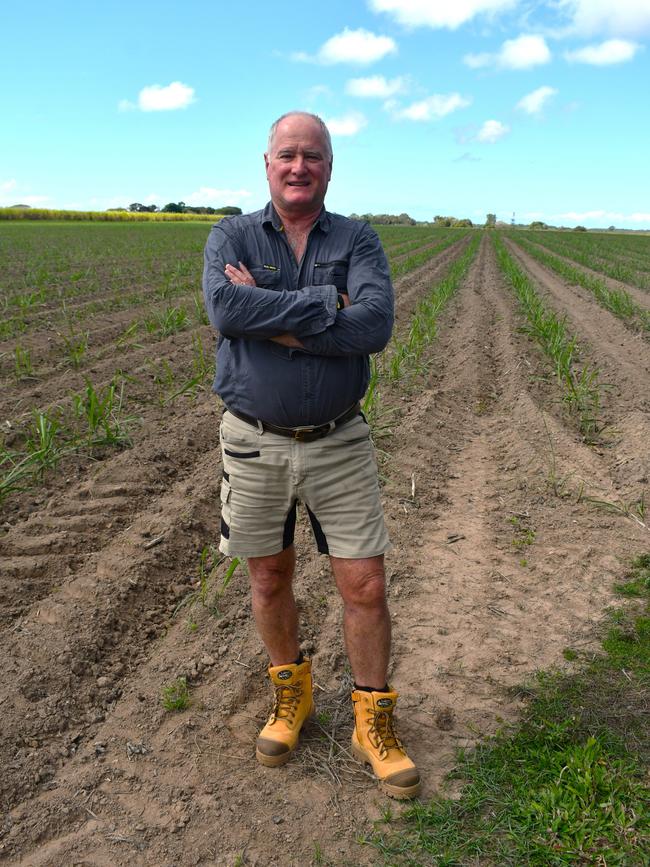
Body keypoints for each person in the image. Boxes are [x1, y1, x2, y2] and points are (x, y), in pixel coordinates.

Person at [202, 111, 420, 799]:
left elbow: (376, 325)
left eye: (313, 156)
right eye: (288, 155)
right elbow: (226, 314)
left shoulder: (358, 238)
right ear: (266, 163)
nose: (300, 167)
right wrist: (326, 306)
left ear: (330, 167)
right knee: (268, 577)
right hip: (254, 437)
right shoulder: (230, 235)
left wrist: (273, 309)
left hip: (338, 439)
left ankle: (371, 718)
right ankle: (290, 693)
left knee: (365, 584)